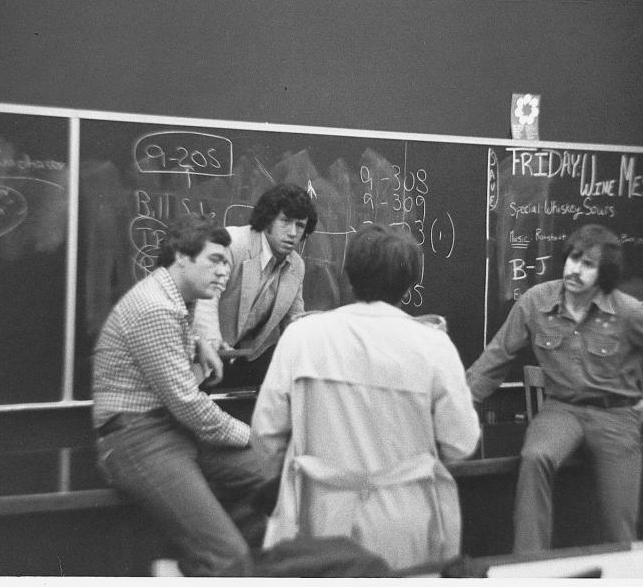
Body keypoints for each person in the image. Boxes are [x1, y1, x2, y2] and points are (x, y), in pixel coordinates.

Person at [250, 224, 481, 571]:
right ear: (410, 283)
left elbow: (266, 434)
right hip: (405, 521)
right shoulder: (433, 345)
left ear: (350, 274)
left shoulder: (302, 336)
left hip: (317, 518)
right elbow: (461, 443)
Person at [466, 224, 643, 554]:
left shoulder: (627, 311)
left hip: (616, 415)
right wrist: (462, 404)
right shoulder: (535, 302)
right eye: (574, 259)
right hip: (562, 409)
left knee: (619, 525)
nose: (575, 269)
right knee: (535, 457)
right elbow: (496, 357)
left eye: (588, 264)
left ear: (604, 273)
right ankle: (529, 564)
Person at [92, 214, 270, 576]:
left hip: (169, 428)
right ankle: (195, 565)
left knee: (269, 474)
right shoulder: (155, 307)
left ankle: (201, 559)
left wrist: (198, 341)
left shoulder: (174, 298)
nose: (223, 272)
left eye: (227, 263)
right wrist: (247, 434)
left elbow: (172, 354)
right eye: (215, 261)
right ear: (181, 258)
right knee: (230, 557)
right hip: (137, 439)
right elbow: (188, 405)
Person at [194, 183, 318, 389]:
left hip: (247, 361)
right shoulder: (232, 243)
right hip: (199, 357)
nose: (293, 233)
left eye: (300, 225)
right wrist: (211, 341)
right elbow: (205, 297)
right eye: (285, 221)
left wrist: (318, 325)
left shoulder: (296, 265)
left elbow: (293, 319)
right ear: (268, 219)